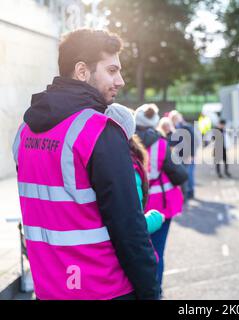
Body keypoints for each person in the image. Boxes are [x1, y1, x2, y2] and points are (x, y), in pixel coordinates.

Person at [11, 29, 159, 300]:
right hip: (103, 289)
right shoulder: (99, 131)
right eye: (112, 70)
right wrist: (151, 292)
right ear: (82, 71)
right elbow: (129, 228)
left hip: (50, 289)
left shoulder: (23, 133)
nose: (121, 80)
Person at [135, 104, 188, 291]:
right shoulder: (161, 144)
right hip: (161, 206)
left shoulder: (124, 141)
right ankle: (155, 290)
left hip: (134, 205)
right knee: (157, 250)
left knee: (134, 250)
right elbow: (180, 175)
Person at [105, 104, 165, 234]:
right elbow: (132, 226)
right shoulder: (129, 167)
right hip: (160, 200)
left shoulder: (93, 158)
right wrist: (156, 217)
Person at [169, 110, 198, 200]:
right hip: (177, 156)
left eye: (176, 118)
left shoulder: (187, 127)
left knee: (189, 174)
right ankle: (184, 194)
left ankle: (190, 192)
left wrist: (192, 155)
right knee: (182, 174)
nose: (175, 120)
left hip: (187, 155)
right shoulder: (172, 129)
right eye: (173, 118)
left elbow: (194, 141)